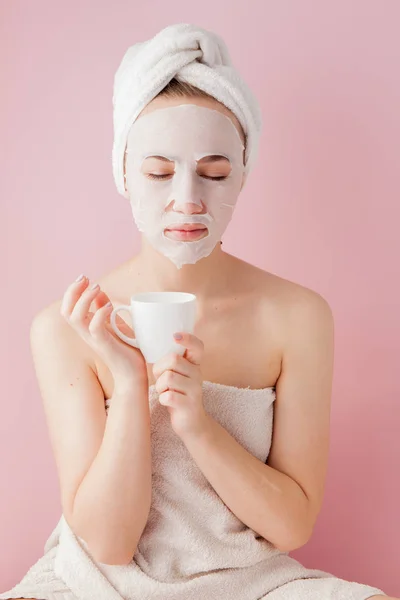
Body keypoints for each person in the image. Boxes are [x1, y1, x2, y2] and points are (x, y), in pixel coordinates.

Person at [0, 23, 394, 600]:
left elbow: (291, 526)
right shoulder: (69, 326)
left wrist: (198, 424)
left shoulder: (298, 316)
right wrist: (132, 387)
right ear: (125, 175)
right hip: (96, 583)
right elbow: (108, 544)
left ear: (242, 174)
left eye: (214, 173)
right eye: (160, 172)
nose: (187, 198)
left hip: (252, 582)